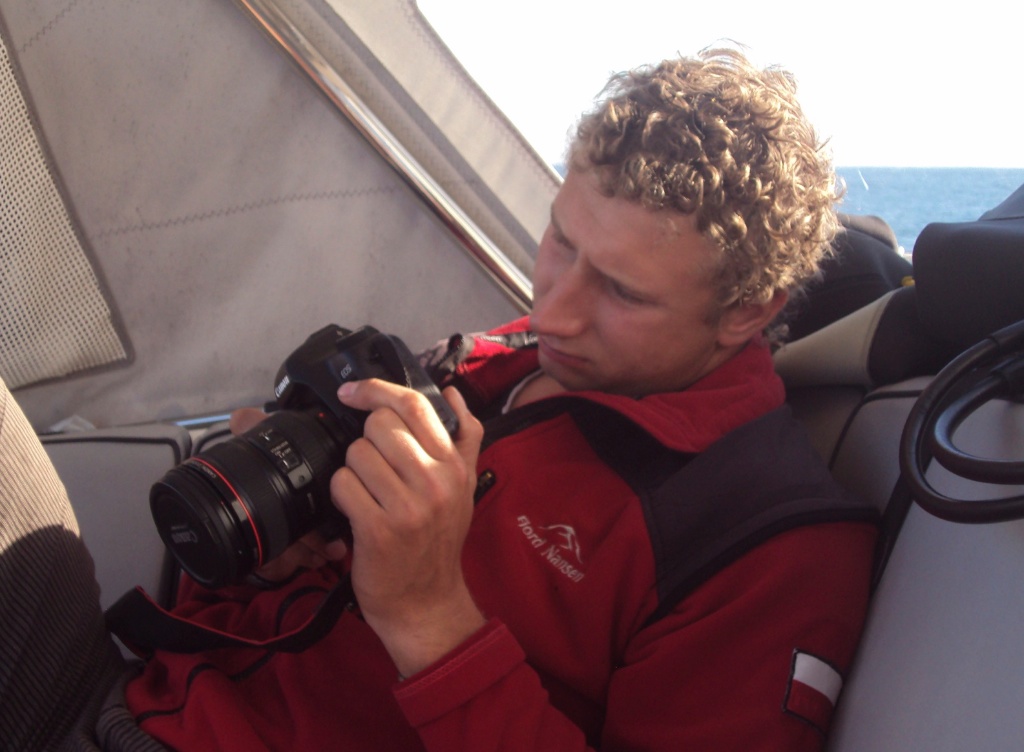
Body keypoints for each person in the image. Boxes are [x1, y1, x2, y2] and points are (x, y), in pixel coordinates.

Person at [0, 46, 877, 750]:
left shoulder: (768, 545)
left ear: (746, 311)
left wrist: (430, 620)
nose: (553, 311)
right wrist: (271, 553)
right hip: (119, 699)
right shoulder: (494, 364)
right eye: (560, 242)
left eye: (623, 291)